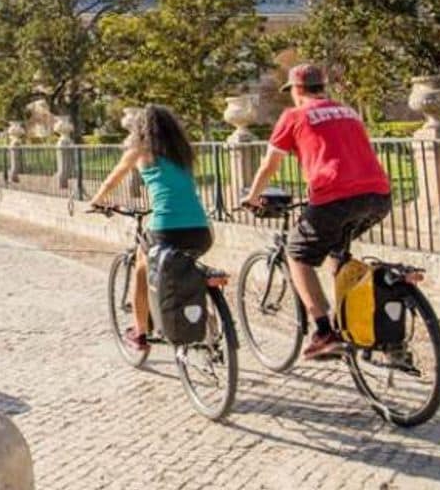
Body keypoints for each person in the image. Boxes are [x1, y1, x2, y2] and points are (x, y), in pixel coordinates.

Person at [243, 64, 392, 359]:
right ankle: (351, 320)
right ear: (322, 87)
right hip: (378, 195)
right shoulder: (349, 112)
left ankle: (324, 331)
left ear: (296, 90)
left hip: (334, 197)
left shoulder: (294, 115)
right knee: (337, 252)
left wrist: (252, 196)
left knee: (296, 254)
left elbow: (270, 164)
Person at [87, 105, 212, 353]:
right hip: (200, 228)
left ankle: (140, 332)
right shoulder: (183, 153)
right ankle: (212, 326)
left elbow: (114, 178)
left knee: (141, 274)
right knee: (186, 269)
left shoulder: (140, 150)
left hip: (166, 227)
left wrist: (96, 200)